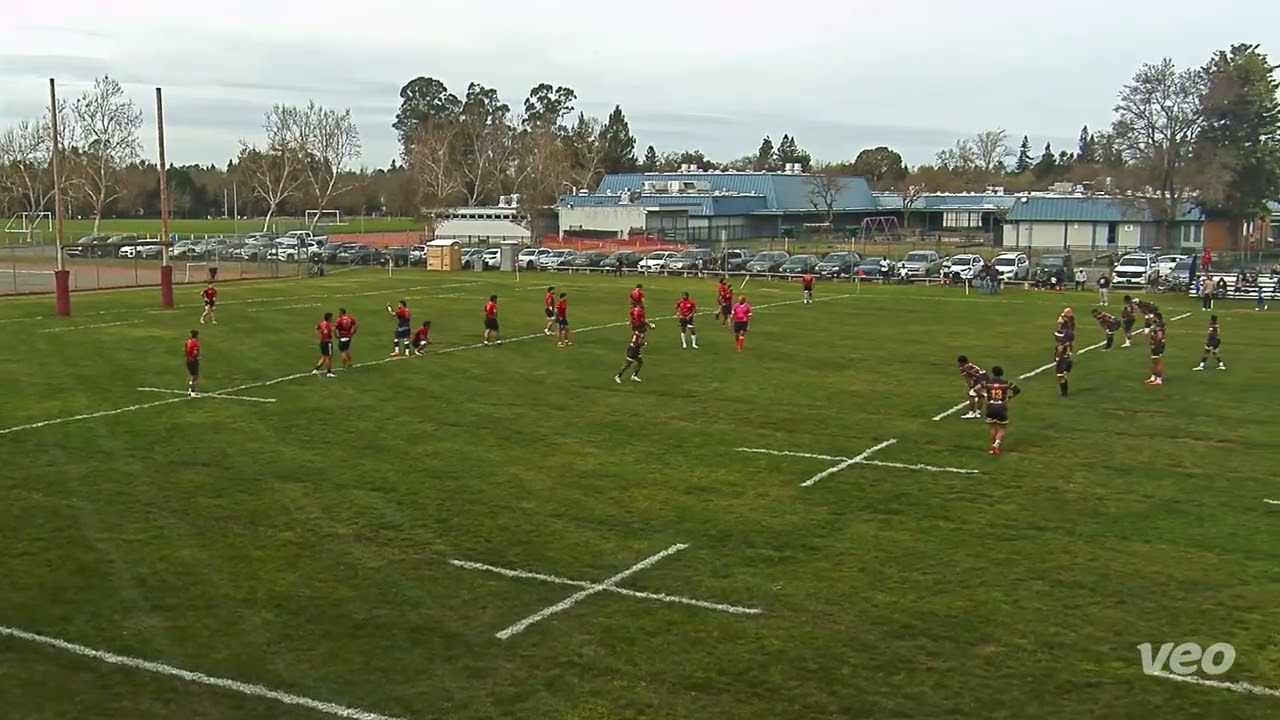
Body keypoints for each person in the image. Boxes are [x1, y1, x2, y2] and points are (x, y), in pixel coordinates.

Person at [976, 366, 1020, 455]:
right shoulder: (1006, 383)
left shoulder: (987, 383)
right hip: (1001, 407)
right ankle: (996, 445)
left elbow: (976, 389)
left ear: (993, 373)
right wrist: (1009, 397)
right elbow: (1017, 390)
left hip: (990, 406)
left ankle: (993, 447)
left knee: (992, 427)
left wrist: (984, 395)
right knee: (1002, 428)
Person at [956, 355, 989, 419]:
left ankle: (971, 413)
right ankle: (977, 413)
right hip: (985, 378)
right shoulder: (971, 364)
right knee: (980, 395)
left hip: (980, 379)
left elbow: (967, 378)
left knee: (971, 394)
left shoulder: (963, 368)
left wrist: (970, 387)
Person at [1145, 312, 1166, 385]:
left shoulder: (1159, 325)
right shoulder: (1159, 323)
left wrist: (1155, 344)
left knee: (1157, 362)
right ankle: (1153, 377)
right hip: (1156, 344)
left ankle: (1159, 379)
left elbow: (1159, 336)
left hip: (1158, 345)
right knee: (1154, 362)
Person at [313, 312, 335, 376]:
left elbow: (316, 327)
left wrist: (319, 335)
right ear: (329, 318)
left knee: (323, 356)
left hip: (322, 342)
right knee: (328, 357)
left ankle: (316, 370)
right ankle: (329, 372)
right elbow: (325, 332)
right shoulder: (327, 325)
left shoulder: (322, 323)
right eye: (331, 317)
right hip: (327, 342)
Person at [1054, 332, 1072, 397]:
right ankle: (1064, 393)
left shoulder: (1061, 344)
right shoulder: (1066, 342)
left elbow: (1059, 351)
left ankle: (1064, 393)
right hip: (1067, 361)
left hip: (1063, 362)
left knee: (1061, 377)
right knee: (1062, 377)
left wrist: (1057, 358)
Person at [184, 329, 201, 397]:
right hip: (193, 361)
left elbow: (185, 350)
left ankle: (190, 390)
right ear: (196, 335)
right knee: (194, 376)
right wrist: (197, 358)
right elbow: (195, 353)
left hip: (188, 360)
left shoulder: (187, 342)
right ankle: (192, 391)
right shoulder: (195, 344)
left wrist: (187, 357)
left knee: (192, 376)